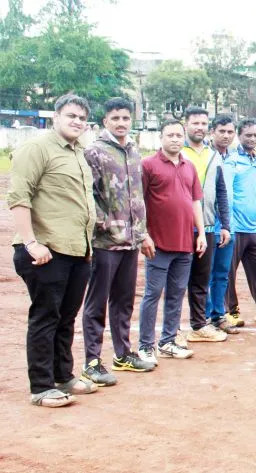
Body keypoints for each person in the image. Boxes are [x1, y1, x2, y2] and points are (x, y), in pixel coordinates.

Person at [10, 94, 99, 406]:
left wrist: (87, 247)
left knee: (66, 317)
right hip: (46, 250)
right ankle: (41, 386)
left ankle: (64, 375)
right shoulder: (36, 149)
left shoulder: (79, 153)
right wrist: (32, 242)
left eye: (81, 118)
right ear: (56, 117)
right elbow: (19, 196)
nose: (77, 122)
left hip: (77, 250)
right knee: (46, 316)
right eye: (71, 116)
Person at [80, 98, 155, 387]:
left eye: (125, 118)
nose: (121, 123)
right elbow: (89, 195)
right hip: (105, 241)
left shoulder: (134, 150)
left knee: (123, 301)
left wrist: (143, 232)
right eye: (115, 118)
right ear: (105, 122)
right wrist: (104, 223)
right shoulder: (95, 152)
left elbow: (138, 198)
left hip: (131, 241)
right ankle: (92, 361)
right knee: (96, 302)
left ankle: (122, 353)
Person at [138, 120, 206, 365]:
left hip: (185, 243)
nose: (175, 139)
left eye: (179, 135)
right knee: (153, 294)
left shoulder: (189, 167)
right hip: (158, 244)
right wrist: (143, 234)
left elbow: (195, 201)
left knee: (177, 294)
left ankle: (168, 341)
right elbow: (139, 203)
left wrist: (201, 233)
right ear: (161, 137)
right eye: (170, 135)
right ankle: (146, 345)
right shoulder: (148, 165)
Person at [224, 118, 256, 326]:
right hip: (234, 227)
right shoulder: (231, 160)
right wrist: (226, 224)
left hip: (254, 227)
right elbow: (226, 194)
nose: (253, 139)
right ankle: (231, 311)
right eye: (248, 135)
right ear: (239, 136)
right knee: (228, 271)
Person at [192, 113, 237, 338]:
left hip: (229, 225)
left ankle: (219, 314)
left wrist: (227, 225)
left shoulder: (236, 157)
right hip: (206, 223)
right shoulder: (204, 156)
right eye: (222, 131)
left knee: (221, 273)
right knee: (204, 273)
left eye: (230, 131)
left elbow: (226, 193)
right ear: (213, 132)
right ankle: (205, 316)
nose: (226, 135)